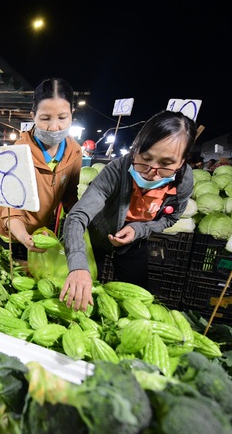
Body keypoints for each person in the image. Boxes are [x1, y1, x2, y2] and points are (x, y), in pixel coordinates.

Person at [60, 110, 197, 311]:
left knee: (138, 301)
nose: (152, 172)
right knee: (81, 294)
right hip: (98, 236)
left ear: (182, 162)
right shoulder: (116, 171)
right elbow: (77, 216)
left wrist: (138, 230)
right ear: (135, 150)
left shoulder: (183, 180)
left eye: (166, 164)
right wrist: (79, 266)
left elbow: (169, 218)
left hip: (134, 243)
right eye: (145, 158)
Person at [0, 77, 82, 260]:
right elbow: (10, 210)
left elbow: (70, 196)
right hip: (8, 232)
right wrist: (24, 238)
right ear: (33, 116)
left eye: (62, 118)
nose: (54, 127)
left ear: (72, 113)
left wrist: (86, 219)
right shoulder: (15, 154)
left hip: (39, 232)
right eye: (45, 118)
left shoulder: (75, 153)